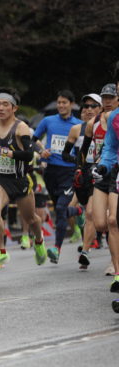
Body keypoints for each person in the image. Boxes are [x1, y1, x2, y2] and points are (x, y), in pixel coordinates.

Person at [0, 87, 47, 270]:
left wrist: (4, 152)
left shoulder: (21, 127)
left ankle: (39, 241)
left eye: (5, 104)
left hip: (19, 179)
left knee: (31, 219)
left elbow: (28, 155)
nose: (0, 108)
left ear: (14, 108)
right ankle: (2, 253)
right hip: (0, 178)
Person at [33, 90, 83, 263]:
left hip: (69, 172)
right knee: (60, 210)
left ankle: (56, 248)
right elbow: (32, 139)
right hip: (51, 171)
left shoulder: (78, 125)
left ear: (72, 104)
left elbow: (82, 150)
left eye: (64, 103)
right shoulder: (48, 121)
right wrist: (41, 151)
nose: (61, 105)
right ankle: (78, 210)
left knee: (61, 209)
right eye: (59, 102)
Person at [62, 93, 102, 269]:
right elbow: (65, 154)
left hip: (102, 175)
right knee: (79, 210)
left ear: (101, 109)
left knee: (91, 213)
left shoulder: (108, 128)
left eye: (93, 106)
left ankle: (85, 251)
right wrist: (79, 164)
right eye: (86, 106)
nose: (89, 109)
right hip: (82, 175)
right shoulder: (76, 129)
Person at [94, 85, 119, 292]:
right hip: (113, 173)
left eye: (112, 96)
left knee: (113, 220)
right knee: (108, 221)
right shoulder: (113, 118)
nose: (108, 100)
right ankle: (118, 272)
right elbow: (110, 146)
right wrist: (103, 164)